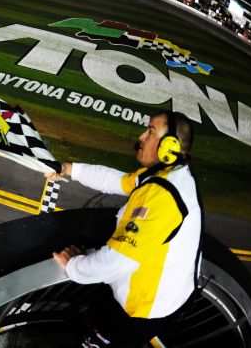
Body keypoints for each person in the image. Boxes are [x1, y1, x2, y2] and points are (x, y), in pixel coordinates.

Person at [48, 111, 202, 347]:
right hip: (154, 296)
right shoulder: (167, 174)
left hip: (141, 310)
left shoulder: (162, 195)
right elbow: (116, 180)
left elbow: (118, 260)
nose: (141, 137)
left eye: (150, 131)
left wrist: (73, 265)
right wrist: (69, 169)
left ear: (169, 146)